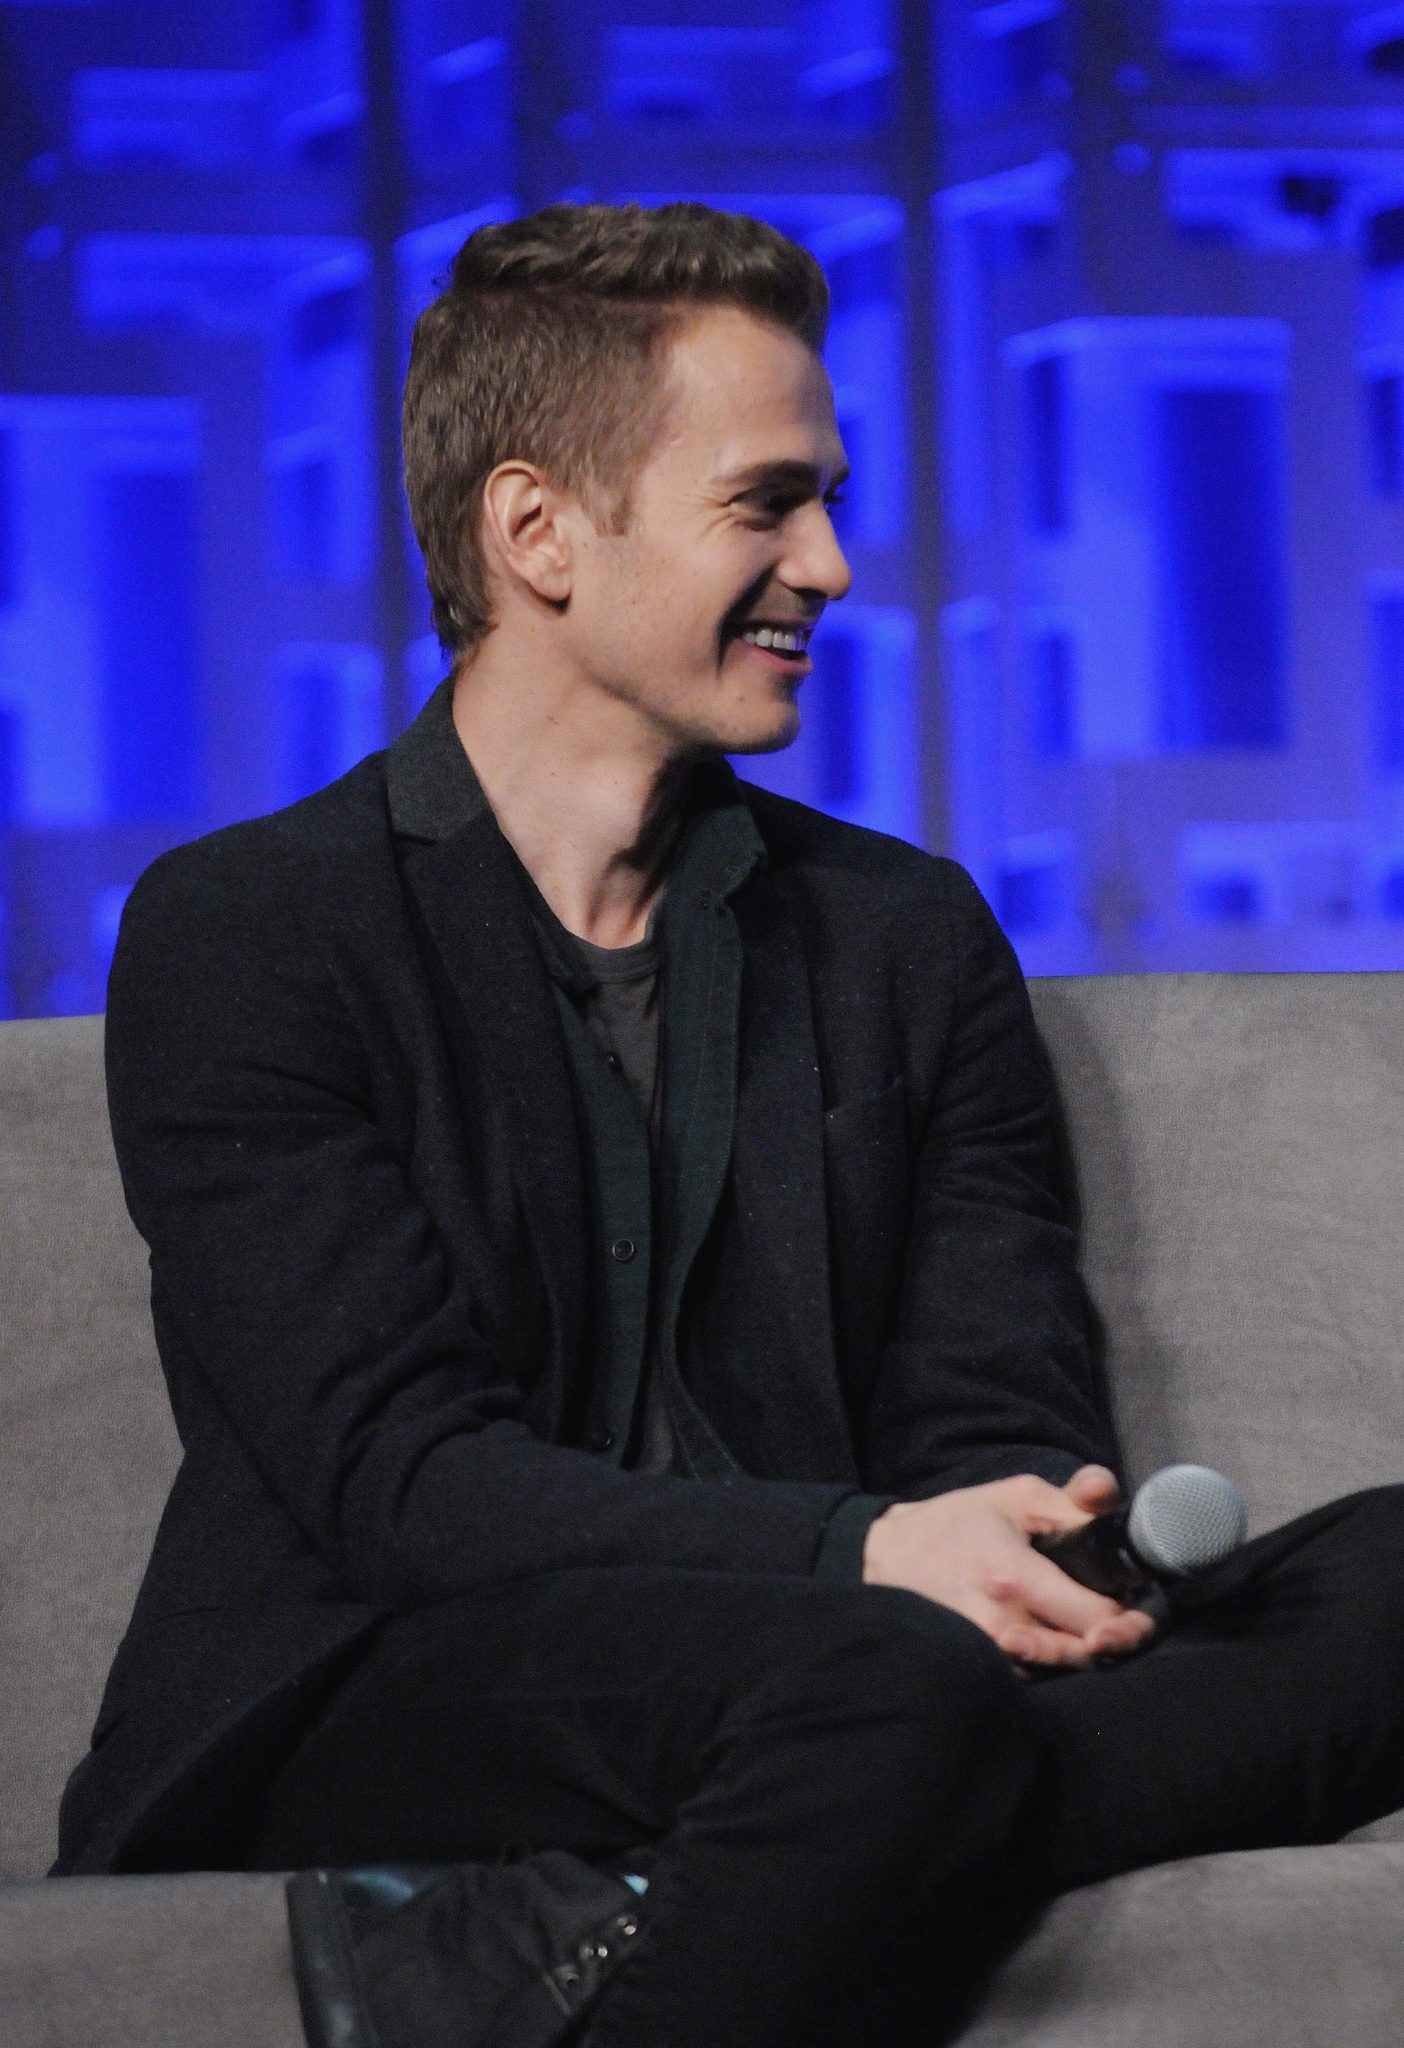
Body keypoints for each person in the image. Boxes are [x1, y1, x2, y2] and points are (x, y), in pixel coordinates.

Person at [56, 202, 1404, 2047]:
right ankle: (864, 1800)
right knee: (881, 1695)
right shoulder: (249, 931)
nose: (831, 565)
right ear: (536, 530)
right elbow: (403, 1486)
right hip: (398, 1673)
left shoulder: (906, 934)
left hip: (851, 1663)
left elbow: (993, 1402)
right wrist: (863, 1556)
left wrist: (1013, 1541)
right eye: (766, 504)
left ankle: (754, 1866)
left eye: (829, 502)